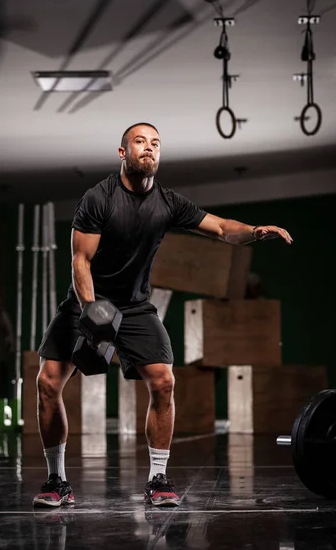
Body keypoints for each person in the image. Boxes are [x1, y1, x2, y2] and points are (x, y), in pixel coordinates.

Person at [32, 122, 293, 508]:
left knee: (164, 382)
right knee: (48, 382)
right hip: (86, 302)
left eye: (155, 143)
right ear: (123, 152)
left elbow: (221, 228)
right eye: (140, 142)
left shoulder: (168, 203)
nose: (149, 148)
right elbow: (80, 260)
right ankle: (58, 481)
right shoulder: (98, 198)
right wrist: (91, 311)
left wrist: (254, 231)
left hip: (135, 307)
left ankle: (158, 479)